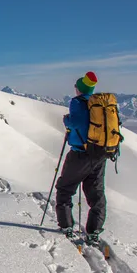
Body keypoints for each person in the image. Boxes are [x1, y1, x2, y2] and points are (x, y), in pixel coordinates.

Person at [55, 71, 107, 246]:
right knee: (96, 192)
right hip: (100, 154)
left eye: (76, 87)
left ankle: (66, 226)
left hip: (80, 154)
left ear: (80, 89)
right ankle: (94, 231)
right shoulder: (100, 103)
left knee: (65, 188)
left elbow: (75, 123)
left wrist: (67, 121)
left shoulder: (78, 102)